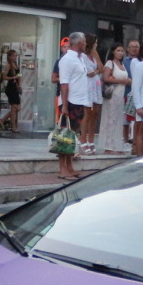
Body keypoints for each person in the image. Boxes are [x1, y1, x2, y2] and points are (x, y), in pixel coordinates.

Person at [56, 32, 90, 180]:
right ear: (79, 43)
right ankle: (63, 168)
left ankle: (69, 166)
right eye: (84, 42)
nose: (86, 44)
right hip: (69, 102)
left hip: (79, 101)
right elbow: (64, 83)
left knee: (72, 136)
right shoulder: (67, 59)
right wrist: (64, 106)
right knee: (65, 137)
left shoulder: (80, 58)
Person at [99, 44, 130, 154]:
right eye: (118, 50)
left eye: (122, 51)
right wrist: (121, 81)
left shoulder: (122, 65)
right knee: (110, 120)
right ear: (113, 52)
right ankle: (108, 146)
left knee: (118, 120)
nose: (121, 53)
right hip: (112, 95)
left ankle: (117, 145)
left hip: (120, 95)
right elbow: (106, 78)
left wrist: (127, 81)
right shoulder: (110, 63)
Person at [80, 34, 103, 155]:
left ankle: (91, 139)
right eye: (95, 43)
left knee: (95, 113)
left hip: (96, 85)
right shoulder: (83, 56)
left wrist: (97, 57)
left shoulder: (94, 55)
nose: (96, 45)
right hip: (88, 85)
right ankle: (83, 139)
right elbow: (89, 72)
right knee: (87, 112)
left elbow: (101, 68)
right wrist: (96, 71)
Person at [122, 38, 142, 144]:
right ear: (128, 49)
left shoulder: (142, 62)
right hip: (126, 93)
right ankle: (125, 140)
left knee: (136, 119)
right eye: (132, 47)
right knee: (125, 120)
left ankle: (135, 140)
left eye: (137, 47)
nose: (134, 49)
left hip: (139, 95)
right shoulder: (124, 61)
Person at [0, 48, 21, 133]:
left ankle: (3, 120)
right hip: (10, 87)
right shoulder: (8, 65)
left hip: (15, 87)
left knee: (17, 108)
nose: (15, 57)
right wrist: (13, 77)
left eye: (16, 56)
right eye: (14, 56)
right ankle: (13, 127)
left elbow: (19, 74)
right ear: (10, 57)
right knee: (14, 107)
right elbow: (4, 77)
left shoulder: (16, 64)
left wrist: (19, 83)